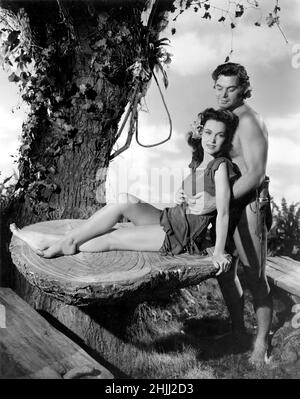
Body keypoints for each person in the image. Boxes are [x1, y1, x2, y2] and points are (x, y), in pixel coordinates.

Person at [10, 108, 240, 280]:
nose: (212, 139)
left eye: (219, 135)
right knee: (125, 199)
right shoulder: (197, 164)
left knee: (113, 239)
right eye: (208, 132)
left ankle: (65, 243)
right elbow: (188, 199)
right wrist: (181, 196)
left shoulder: (220, 166)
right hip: (169, 218)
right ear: (201, 133)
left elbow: (223, 212)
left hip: (179, 236)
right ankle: (67, 240)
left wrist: (218, 251)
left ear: (226, 139)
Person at [210, 62, 273, 368]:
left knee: (255, 277)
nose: (223, 94)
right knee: (224, 271)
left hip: (250, 204)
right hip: (227, 203)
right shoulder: (226, 117)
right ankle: (238, 331)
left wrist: (216, 202)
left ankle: (261, 342)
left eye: (230, 88)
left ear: (243, 89)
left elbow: (257, 174)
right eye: (219, 87)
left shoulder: (249, 120)